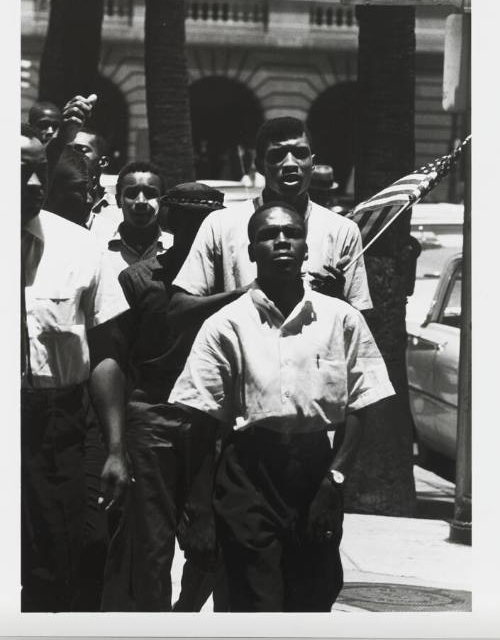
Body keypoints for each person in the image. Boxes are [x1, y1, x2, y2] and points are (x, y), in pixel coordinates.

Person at [169, 202, 394, 612]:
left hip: (315, 473)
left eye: (291, 234)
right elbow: (199, 420)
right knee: (253, 599)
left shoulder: (340, 319)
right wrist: (198, 507)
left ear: (307, 248)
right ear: (251, 250)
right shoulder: (226, 324)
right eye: (269, 236)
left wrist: (334, 482)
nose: (282, 243)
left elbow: (362, 402)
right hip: (248, 473)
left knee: (311, 599)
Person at [101, 183, 226, 612]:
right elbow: (117, 357)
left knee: (210, 541)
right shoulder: (138, 279)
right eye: (186, 219)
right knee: (151, 548)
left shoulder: (233, 279)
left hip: (212, 421)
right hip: (153, 417)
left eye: (204, 220)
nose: (195, 230)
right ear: (170, 221)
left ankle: (184, 615)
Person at [20, 123, 130, 611]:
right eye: (20, 173)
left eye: (39, 172)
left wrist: (114, 447)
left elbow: (105, 352)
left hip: (56, 424)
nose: (35, 185)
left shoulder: (79, 246)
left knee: (62, 556)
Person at [168, 117, 372, 331]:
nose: (291, 163)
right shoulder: (221, 225)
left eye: (300, 154)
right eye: (277, 155)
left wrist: (335, 299)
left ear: (313, 162)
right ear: (259, 165)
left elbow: (361, 325)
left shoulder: (342, 230)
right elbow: (179, 310)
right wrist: (247, 294)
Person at [104, 161, 173, 275]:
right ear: (118, 200)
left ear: (162, 201)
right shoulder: (100, 250)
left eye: (150, 194)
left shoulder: (174, 249)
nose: (141, 201)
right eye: (131, 193)